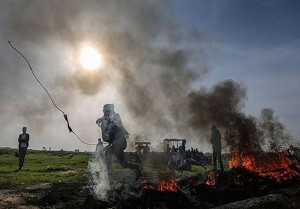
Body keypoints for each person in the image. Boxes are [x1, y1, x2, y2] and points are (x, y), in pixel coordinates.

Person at [96, 104, 142, 179]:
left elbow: (116, 123)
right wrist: (100, 120)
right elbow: (102, 120)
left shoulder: (116, 116)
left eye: (107, 111)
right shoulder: (105, 119)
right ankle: (138, 167)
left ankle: (110, 178)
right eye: (105, 111)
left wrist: (103, 120)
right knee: (124, 164)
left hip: (120, 143)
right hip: (115, 144)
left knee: (108, 152)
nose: (106, 113)